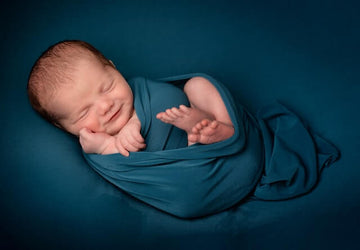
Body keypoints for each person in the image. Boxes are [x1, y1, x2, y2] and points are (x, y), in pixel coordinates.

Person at [27, 40, 234, 156]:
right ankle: (198, 138)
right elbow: (127, 170)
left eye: (107, 87)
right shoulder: (94, 143)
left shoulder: (141, 90)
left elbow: (168, 97)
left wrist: (136, 120)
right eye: (84, 112)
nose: (106, 106)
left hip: (190, 127)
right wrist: (108, 146)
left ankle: (223, 128)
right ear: (63, 127)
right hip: (183, 169)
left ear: (113, 67)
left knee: (197, 84)